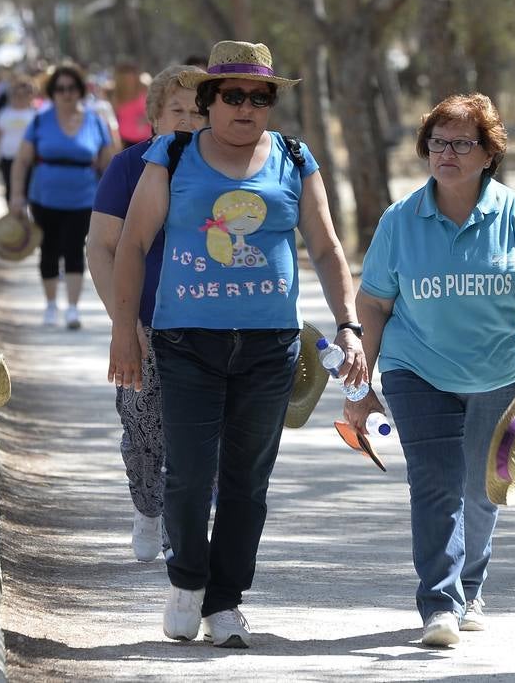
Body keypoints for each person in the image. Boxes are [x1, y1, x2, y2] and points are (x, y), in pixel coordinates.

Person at [108, 41, 367, 649]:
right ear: (209, 100)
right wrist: (125, 329)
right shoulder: (171, 156)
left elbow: (328, 249)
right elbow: (134, 243)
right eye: (232, 96)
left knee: (248, 482)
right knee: (191, 475)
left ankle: (225, 602)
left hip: (268, 347)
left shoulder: (295, 159)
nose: (246, 107)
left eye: (259, 97)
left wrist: (348, 323)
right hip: (185, 342)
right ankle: (187, 582)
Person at [352, 93, 515, 647]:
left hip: (499, 372)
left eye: (462, 143)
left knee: (482, 487)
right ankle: (439, 603)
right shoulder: (401, 220)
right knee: (437, 484)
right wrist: (359, 384)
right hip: (415, 368)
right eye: (437, 142)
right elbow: (372, 304)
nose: (447, 153)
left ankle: (471, 587)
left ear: (488, 154)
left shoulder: (514, 214)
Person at [87, 64, 206, 563]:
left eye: (198, 111)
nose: (187, 120)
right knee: (143, 426)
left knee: (203, 435)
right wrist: (124, 322)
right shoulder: (130, 167)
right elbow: (101, 247)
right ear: (154, 118)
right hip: (145, 322)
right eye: (175, 110)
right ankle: (148, 508)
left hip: (208, 324)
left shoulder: (225, 173)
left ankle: (188, 526)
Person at [9, 63, 117, 329]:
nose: (66, 94)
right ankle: (49, 305)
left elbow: (108, 165)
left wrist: (115, 204)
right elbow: (22, 161)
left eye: (71, 88)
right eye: (60, 88)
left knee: (74, 250)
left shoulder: (96, 122)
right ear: (52, 92)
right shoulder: (40, 120)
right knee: (48, 249)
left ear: (80, 91)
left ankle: (72, 308)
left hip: (84, 198)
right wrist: (17, 196)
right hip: (44, 197)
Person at [0, 76, 38, 200]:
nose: (20, 97)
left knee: (26, 190)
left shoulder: (36, 115)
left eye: (24, 94)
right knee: (9, 188)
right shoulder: (4, 113)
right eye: (17, 94)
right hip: (7, 157)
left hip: (28, 160)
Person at [111, 61, 152, 148]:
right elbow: (113, 120)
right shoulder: (116, 96)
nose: (129, 79)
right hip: (124, 142)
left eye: (132, 74)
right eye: (125, 77)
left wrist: (146, 118)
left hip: (146, 141)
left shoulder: (145, 90)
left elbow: (156, 114)